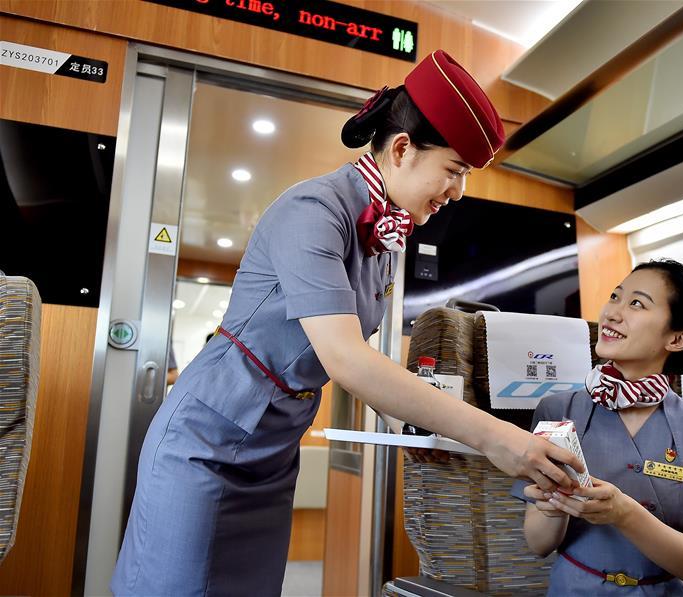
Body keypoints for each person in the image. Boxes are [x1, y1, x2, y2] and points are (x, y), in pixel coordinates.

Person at [111, 50, 582, 595]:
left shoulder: (384, 236)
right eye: (454, 171)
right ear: (403, 149)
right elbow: (346, 359)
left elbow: (364, 361)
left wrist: (425, 427)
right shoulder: (314, 209)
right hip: (207, 438)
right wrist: (500, 439)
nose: (458, 193)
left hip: (273, 444)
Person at [514, 259, 683, 595]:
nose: (612, 313)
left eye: (636, 304)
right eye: (615, 297)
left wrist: (624, 513)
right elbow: (538, 544)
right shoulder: (558, 410)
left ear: (677, 338)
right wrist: (551, 506)